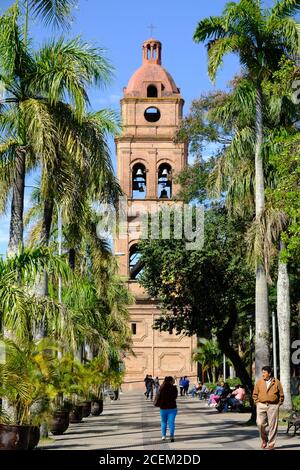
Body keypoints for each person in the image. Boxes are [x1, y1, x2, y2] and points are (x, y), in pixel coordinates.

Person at [252, 366, 284, 450]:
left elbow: (281, 394)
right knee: (260, 423)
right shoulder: (259, 382)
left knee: (273, 425)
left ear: (269, 373)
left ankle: (271, 443)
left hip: (273, 406)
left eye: (264, 372)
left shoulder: (276, 382)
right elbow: (255, 394)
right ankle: (264, 440)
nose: (263, 374)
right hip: (261, 405)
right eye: (262, 372)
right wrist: (257, 402)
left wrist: (278, 404)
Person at [158, 376, 178, 442]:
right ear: (170, 381)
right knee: (171, 423)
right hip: (172, 408)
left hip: (163, 408)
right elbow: (175, 397)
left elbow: (159, 397)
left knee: (163, 422)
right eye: (172, 380)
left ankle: (163, 436)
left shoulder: (161, 388)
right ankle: (171, 436)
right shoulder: (174, 388)